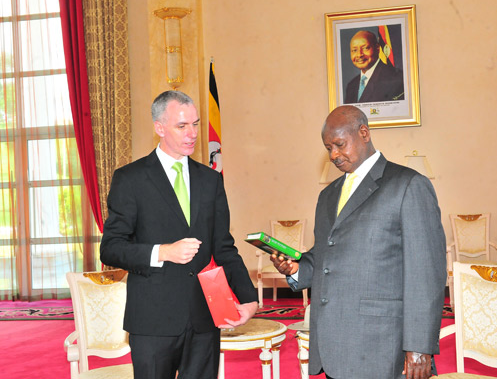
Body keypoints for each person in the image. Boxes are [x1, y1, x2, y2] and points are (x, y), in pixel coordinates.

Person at [271, 105, 446, 379]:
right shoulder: (328, 196)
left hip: (384, 350)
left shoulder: (408, 185)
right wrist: (296, 269)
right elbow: (325, 257)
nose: (334, 155)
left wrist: (419, 347)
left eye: (339, 145)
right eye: (328, 148)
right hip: (335, 347)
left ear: (363, 133)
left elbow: (426, 274)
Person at [100, 90, 258, 379]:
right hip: (152, 322)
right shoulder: (131, 179)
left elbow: (224, 246)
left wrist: (248, 297)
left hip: (203, 319)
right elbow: (110, 248)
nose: (192, 133)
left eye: (195, 124)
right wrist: (162, 252)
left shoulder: (210, 180)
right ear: (159, 127)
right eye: (182, 126)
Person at [344, 30, 404, 104]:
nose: (359, 54)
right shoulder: (351, 86)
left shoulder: (397, 78)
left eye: (365, 48)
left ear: (377, 48)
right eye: (354, 50)